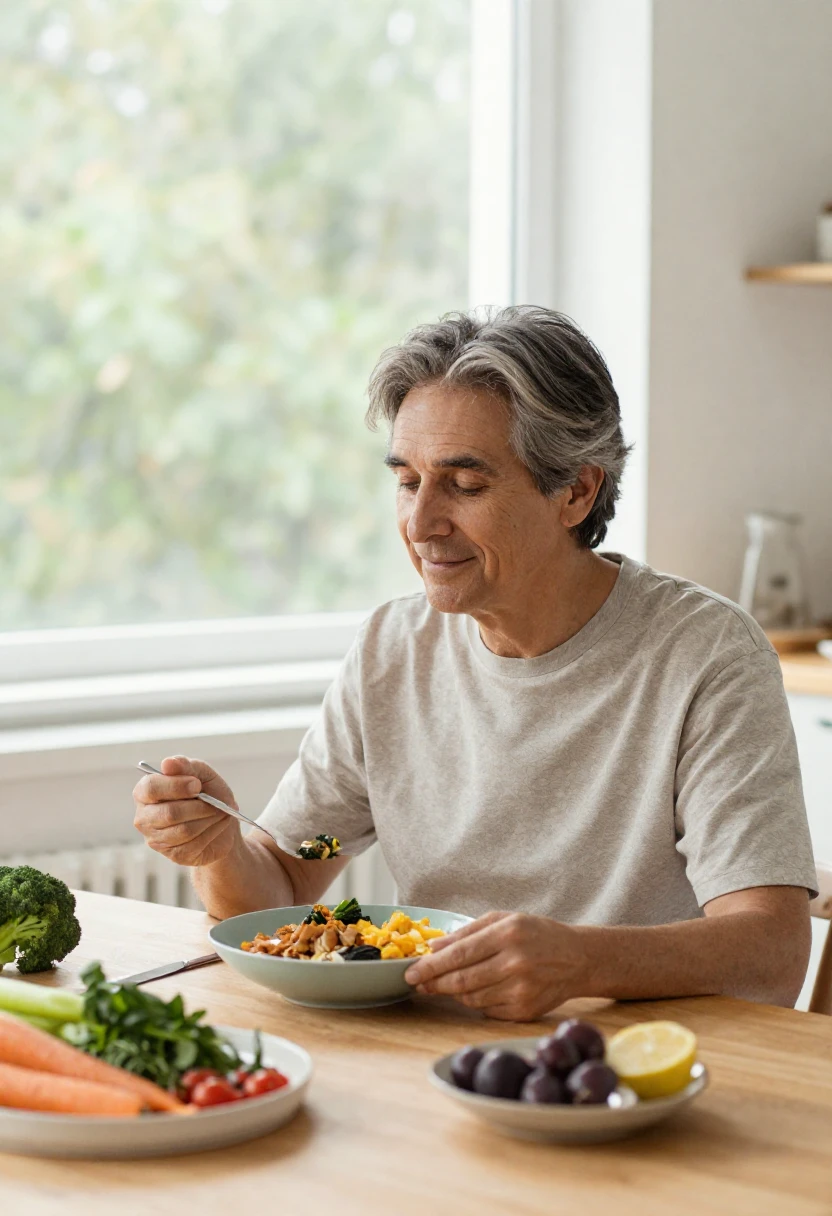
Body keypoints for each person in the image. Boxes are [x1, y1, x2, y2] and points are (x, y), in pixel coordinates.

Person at [133, 306, 817, 1021]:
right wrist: (218, 850)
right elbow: (280, 880)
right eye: (406, 480)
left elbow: (770, 951)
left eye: (464, 485)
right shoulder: (391, 652)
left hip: (631, 1070)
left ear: (576, 492)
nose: (421, 523)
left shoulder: (705, 655)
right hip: (430, 1053)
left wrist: (580, 961)